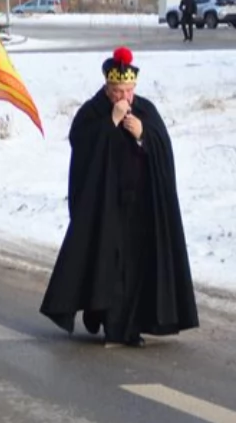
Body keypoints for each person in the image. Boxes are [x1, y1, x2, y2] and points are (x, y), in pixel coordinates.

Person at [40, 47, 198, 347]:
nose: (122, 97)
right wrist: (109, 124)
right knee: (109, 265)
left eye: (127, 90)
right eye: (116, 91)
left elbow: (162, 150)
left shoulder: (146, 111)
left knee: (136, 267)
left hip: (140, 206)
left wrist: (143, 134)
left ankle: (131, 326)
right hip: (105, 206)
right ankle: (111, 322)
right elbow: (81, 146)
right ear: (107, 87)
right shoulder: (92, 112)